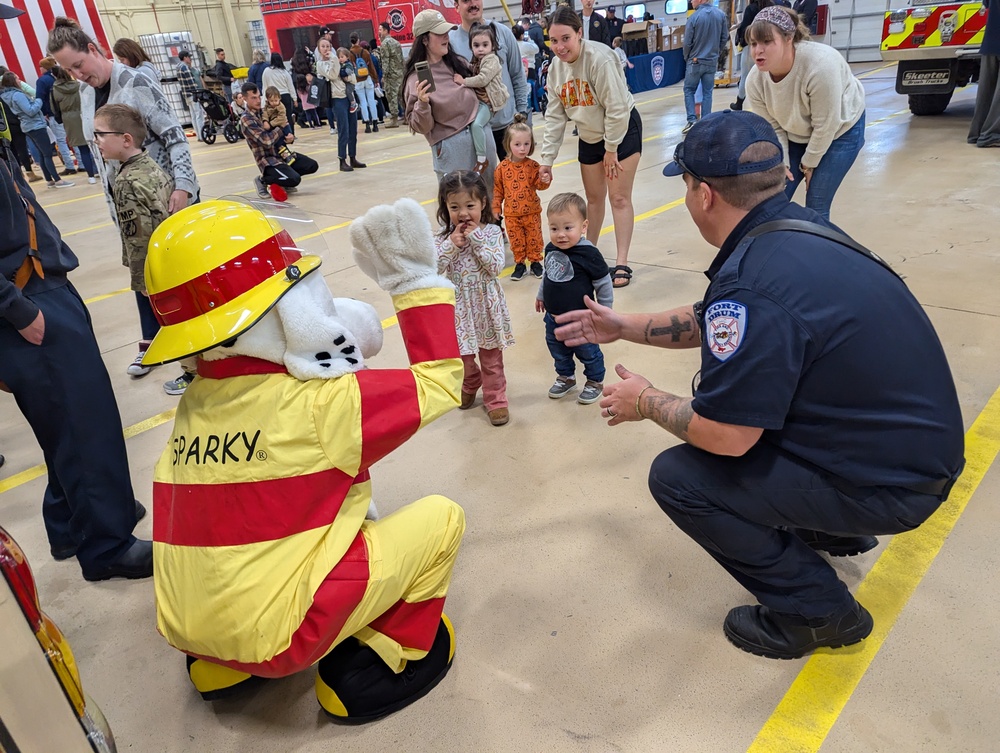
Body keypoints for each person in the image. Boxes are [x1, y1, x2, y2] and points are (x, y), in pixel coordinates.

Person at [554, 110, 965, 660]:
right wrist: (625, 328)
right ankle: (832, 529)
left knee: (680, 477)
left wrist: (646, 400)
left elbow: (728, 436)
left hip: (890, 485)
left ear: (704, 196)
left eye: (686, 186)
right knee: (759, 400)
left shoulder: (753, 282)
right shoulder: (794, 231)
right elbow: (721, 320)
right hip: (906, 454)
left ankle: (818, 613)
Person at [143, 196, 466, 723]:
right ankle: (387, 656)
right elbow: (441, 381)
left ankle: (221, 664)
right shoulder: (322, 403)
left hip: (183, 625)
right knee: (442, 518)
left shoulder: (193, 404)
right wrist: (413, 281)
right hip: (284, 637)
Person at [0, 0, 153, 582]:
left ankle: (74, 522)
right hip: (24, 300)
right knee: (82, 420)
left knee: (66, 421)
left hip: (42, 282)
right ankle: (107, 544)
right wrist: (16, 312)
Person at [48, 17, 198, 220]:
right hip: (130, 206)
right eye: (69, 70)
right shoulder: (84, 91)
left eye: (79, 64)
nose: (78, 75)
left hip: (167, 200)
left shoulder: (136, 83)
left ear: (92, 50)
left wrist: (183, 187)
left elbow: (176, 138)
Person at [539, 7, 642, 288]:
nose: (559, 47)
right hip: (589, 134)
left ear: (580, 34)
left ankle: (621, 262)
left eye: (566, 39)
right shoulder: (556, 71)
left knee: (618, 198)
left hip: (621, 131)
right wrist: (546, 159)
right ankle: (588, 255)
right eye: (554, 40)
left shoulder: (600, 58)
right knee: (593, 199)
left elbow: (617, 108)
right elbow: (555, 116)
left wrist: (611, 148)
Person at [745, 6, 866, 221]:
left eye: (767, 42)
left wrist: (808, 163)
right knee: (772, 197)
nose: (758, 51)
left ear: (789, 38)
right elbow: (773, 127)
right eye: (753, 43)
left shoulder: (820, 66)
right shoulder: (755, 80)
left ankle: (818, 251)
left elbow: (826, 125)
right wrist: (782, 162)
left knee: (816, 204)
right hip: (795, 132)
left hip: (840, 130)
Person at [92, 103, 179, 388]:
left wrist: (142, 278)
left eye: (100, 134)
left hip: (153, 263)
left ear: (125, 139)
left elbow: (137, 236)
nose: (96, 141)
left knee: (170, 313)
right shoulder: (151, 164)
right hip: (169, 254)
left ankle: (184, 363)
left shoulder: (126, 180)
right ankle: (154, 345)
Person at [435, 170, 513, 427]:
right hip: (459, 308)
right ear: (446, 207)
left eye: (470, 205)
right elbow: (434, 269)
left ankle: (496, 399)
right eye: (455, 207)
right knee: (463, 357)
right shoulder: (444, 237)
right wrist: (451, 245)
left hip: (486, 306)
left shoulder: (491, 233)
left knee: (491, 359)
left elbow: (494, 267)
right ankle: (471, 380)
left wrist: (476, 239)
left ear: (482, 204)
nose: (463, 213)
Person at [403, 10, 499, 186]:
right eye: (439, 33)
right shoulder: (416, 80)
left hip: (484, 149)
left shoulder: (459, 64)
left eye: (446, 32)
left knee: (490, 204)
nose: (446, 37)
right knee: (462, 208)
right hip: (453, 156)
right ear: (424, 39)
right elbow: (422, 126)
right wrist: (423, 103)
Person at [536, 192, 612, 405]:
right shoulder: (551, 248)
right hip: (554, 317)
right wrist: (541, 295)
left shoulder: (589, 253)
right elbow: (548, 273)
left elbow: (603, 282)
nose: (561, 235)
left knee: (587, 350)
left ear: (584, 226)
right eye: (554, 228)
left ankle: (595, 380)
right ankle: (566, 377)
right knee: (557, 349)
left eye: (568, 228)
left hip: (582, 318)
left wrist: (605, 311)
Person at [449, 0, 530, 161]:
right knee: (482, 184)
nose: (473, 4)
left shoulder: (503, 33)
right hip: (472, 129)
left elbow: (518, 76)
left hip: (507, 126)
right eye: (466, 0)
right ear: (456, 6)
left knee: (516, 182)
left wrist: (522, 116)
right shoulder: (451, 41)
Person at [493, 115, 550, 280]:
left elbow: (540, 185)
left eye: (526, 144)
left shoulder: (533, 166)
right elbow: (498, 190)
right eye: (517, 144)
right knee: (516, 240)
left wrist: (545, 180)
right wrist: (496, 207)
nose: (522, 148)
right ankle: (519, 264)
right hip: (511, 214)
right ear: (508, 144)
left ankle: (535, 263)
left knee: (534, 238)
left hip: (531, 212)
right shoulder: (502, 168)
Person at [240, 82, 318, 196]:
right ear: (245, 98)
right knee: (295, 179)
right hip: (268, 161)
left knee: (312, 165)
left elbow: (283, 122)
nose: (257, 100)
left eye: (259, 97)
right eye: (253, 98)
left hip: (282, 154)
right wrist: (281, 128)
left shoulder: (266, 110)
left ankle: (284, 180)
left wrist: (289, 137)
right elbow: (266, 141)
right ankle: (263, 180)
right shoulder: (246, 119)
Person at [0, 72, 74, 188]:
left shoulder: (8, 95)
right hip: (35, 125)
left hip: (28, 126)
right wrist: (39, 100)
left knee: (42, 153)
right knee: (47, 154)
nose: (20, 81)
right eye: (17, 78)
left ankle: (49, 180)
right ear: (12, 81)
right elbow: (30, 110)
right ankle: (58, 180)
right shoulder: (17, 95)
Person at [454, 23, 510, 175]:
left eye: (485, 45)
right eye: (476, 45)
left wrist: (463, 81)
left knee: (477, 125)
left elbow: (483, 79)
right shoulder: (477, 61)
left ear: (492, 46)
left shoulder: (492, 60)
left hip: (489, 103)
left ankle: (481, 158)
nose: (480, 49)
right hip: (480, 101)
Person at [315, 39, 365, 172]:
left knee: (353, 128)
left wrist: (348, 77)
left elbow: (352, 77)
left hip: (349, 97)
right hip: (337, 99)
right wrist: (334, 60)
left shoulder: (339, 61)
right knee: (343, 129)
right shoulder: (320, 64)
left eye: (328, 46)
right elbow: (332, 74)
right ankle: (342, 159)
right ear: (319, 49)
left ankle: (353, 157)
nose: (326, 49)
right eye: (323, 46)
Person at [682, 0, 729, 133]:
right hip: (711, 61)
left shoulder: (694, 17)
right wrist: (716, 52)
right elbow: (724, 37)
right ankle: (706, 122)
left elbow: (687, 42)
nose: (691, 1)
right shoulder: (721, 15)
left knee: (689, 90)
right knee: (708, 92)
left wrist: (687, 57)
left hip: (695, 61)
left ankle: (692, 120)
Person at [50, 66, 99, 184]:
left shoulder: (54, 90)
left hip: (69, 119)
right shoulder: (78, 85)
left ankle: (90, 175)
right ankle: (98, 170)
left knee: (83, 149)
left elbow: (54, 108)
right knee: (95, 146)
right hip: (84, 114)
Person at [35, 57, 76, 175]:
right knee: (74, 139)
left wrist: (45, 112)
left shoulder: (42, 81)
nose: (40, 69)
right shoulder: (62, 78)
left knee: (61, 141)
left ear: (45, 67)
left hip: (53, 113)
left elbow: (40, 98)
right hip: (70, 112)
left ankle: (69, 165)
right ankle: (83, 164)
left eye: (41, 66)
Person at [968, 0, 1000, 148]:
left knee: (987, 89)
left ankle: (977, 132)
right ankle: (991, 135)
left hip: (991, 40)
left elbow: (986, 4)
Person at [731, 0, 768, 110]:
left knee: (745, 75)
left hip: (751, 46)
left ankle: (739, 102)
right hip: (768, 46)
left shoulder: (751, 8)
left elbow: (745, 29)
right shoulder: (771, 6)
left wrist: (741, 42)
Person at [350, 32, 381, 132]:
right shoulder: (365, 52)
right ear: (358, 40)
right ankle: (375, 123)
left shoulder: (349, 54)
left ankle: (367, 124)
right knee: (371, 101)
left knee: (363, 102)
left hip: (357, 80)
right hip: (367, 79)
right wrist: (376, 80)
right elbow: (371, 67)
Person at [378, 22, 405, 128]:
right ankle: (407, 116)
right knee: (401, 96)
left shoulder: (385, 44)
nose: (379, 32)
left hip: (391, 75)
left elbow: (385, 61)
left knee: (391, 96)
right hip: (400, 73)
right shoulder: (396, 42)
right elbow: (401, 59)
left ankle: (394, 119)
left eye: (380, 30)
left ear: (385, 30)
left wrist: (384, 76)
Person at [262, 53, 295, 135]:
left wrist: (265, 99)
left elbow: (265, 86)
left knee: (273, 116)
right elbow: (290, 86)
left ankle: (276, 134)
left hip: (271, 96)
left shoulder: (266, 71)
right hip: (285, 96)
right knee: (287, 116)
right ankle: (290, 134)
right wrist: (295, 99)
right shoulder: (285, 72)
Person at [176, 50, 205, 142]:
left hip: (186, 95)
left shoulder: (178, 67)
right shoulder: (185, 67)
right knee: (199, 114)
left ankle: (199, 135)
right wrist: (197, 93)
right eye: (189, 57)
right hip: (192, 94)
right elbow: (191, 82)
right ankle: (202, 135)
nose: (190, 58)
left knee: (193, 115)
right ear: (185, 57)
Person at [263, 85, 296, 163]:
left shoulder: (281, 107)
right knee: (277, 143)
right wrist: (265, 120)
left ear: (279, 98)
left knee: (282, 142)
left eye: (276, 100)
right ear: (267, 100)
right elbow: (264, 114)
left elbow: (281, 118)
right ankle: (286, 156)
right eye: (271, 101)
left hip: (283, 125)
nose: (274, 103)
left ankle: (288, 157)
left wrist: (270, 124)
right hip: (275, 127)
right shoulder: (266, 107)